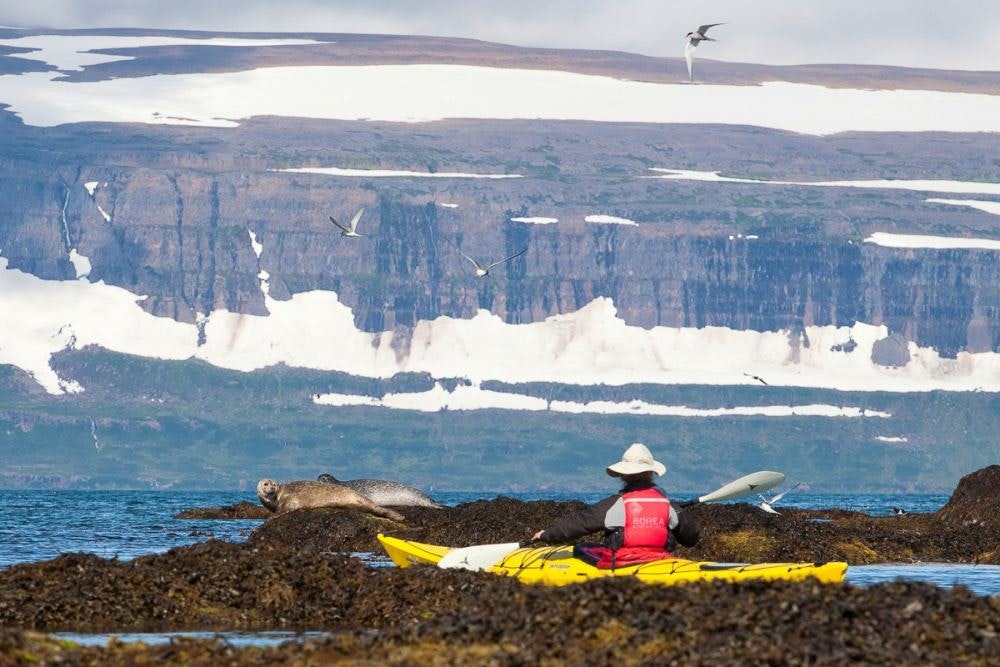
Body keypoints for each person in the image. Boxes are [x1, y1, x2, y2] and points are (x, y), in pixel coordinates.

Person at [530, 442, 700, 568]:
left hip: (622, 562)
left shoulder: (616, 503)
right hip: (660, 560)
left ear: (623, 475)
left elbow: (580, 523)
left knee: (581, 549)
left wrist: (546, 535)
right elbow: (691, 538)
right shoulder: (668, 504)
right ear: (651, 473)